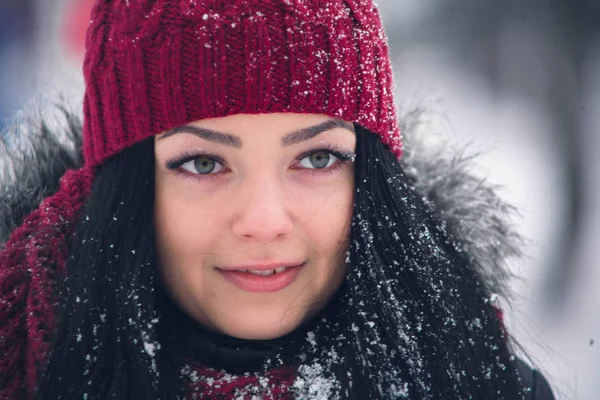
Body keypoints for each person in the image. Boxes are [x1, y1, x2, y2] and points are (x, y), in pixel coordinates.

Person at [0, 0, 556, 399]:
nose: (264, 222)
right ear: (129, 187)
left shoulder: (484, 380)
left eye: (316, 158)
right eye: (203, 163)